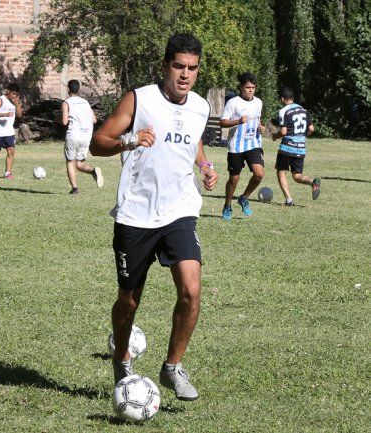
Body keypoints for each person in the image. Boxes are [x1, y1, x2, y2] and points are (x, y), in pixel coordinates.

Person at [91, 33, 218, 402]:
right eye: (179, 66)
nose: (185, 74)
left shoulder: (199, 106)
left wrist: (206, 165)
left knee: (192, 291)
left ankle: (172, 367)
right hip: (136, 214)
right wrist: (129, 141)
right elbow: (98, 143)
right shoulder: (139, 99)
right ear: (166, 66)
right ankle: (121, 358)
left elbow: (193, 140)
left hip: (180, 210)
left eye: (192, 68)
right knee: (129, 300)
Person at [219, 72, 266, 220]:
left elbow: (258, 119)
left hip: (253, 143)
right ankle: (227, 205)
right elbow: (223, 122)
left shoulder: (258, 102)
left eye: (253, 87)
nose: (250, 90)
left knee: (259, 174)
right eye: (247, 87)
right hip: (236, 146)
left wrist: (261, 127)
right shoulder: (233, 103)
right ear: (241, 87)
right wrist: (238, 121)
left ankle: (244, 198)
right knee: (234, 179)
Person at [272, 86, 320, 205]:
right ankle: (313, 181)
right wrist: (302, 137)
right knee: (297, 175)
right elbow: (311, 129)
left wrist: (275, 136)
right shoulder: (304, 110)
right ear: (293, 98)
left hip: (287, 147)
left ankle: (289, 200)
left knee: (281, 171)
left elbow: (283, 132)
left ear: (282, 99)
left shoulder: (283, 111)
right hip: (301, 147)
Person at [61, 79, 103, 194]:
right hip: (86, 136)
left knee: (70, 162)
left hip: (73, 135)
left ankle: (75, 189)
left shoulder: (67, 102)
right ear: (79, 89)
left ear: (68, 89)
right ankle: (93, 171)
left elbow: (64, 122)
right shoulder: (85, 102)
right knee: (79, 164)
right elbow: (94, 120)